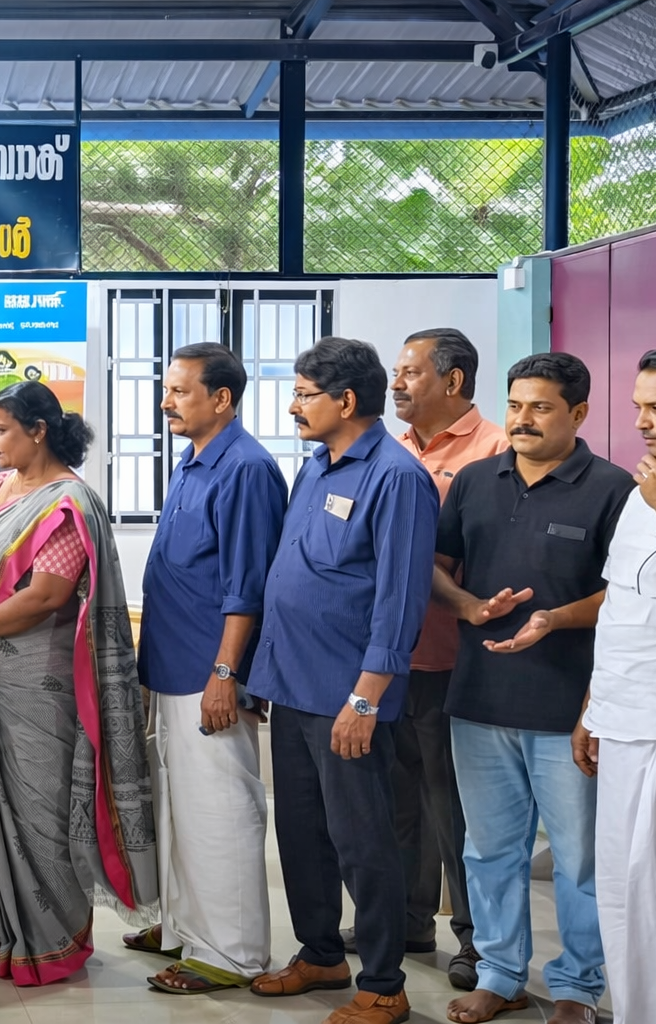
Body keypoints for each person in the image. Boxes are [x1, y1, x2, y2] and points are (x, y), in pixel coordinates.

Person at [0, 380, 156, 987]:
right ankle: (5, 922)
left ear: (38, 430)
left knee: (40, 809)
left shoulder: (69, 502)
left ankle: (52, 939)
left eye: (2, 430)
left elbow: (45, 596)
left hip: (40, 684)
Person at [434, 352, 631, 1024]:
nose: (522, 419)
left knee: (577, 859)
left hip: (566, 708)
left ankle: (577, 988)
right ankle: (500, 973)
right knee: (488, 851)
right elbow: (437, 565)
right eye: (515, 405)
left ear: (577, 413)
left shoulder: (613, 489)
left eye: (540, 407)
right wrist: (464, 605)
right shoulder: (473, 481)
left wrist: (555, 618)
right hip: (480, 699)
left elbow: (628, 594)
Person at [247, 337, 437, 1024]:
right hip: (292, 688)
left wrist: (366, 697)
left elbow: (399, 601)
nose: (293, 405)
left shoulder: (396, 476)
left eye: (303, 393)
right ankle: (320, 952)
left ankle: (384, 983)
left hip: (347, 697)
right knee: (301, 835)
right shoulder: (316, 467)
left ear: (346, 400)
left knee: (363, 843)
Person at [133, 344, 287, 994]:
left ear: (221, 398)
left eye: (180, 391)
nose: (166, 401)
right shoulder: (194, 462)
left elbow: (246, 585)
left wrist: (227, 674)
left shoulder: (246, 469)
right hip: (173, 664)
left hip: (208, 673)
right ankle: (181, 929)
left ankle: (230, 952)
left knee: (220, 810)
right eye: (167, 390)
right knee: (180, 811)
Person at [358, 328, 506, 990]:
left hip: (461, 667)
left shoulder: (495, 452)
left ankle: (474, 940)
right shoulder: (388, 452)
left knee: (457, 812)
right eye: (394, 372)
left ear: (452, 381)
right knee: (399, 804)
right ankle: (411, 919)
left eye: (410, 372)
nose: (396, 384)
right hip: (390, 665)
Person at [580, 349, 656, 1024]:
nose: (643, 422)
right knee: (625, 895)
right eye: (639, 406)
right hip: (623, 721)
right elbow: (620, 607)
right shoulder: (640, 495)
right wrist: (592, 706)